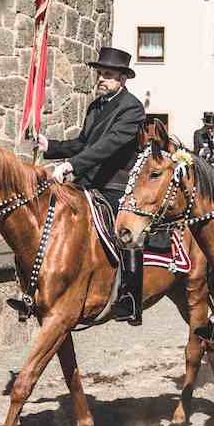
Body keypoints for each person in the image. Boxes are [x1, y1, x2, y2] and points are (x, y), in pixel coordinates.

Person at [35, 46, 146, 325]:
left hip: (116, 184)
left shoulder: (132, 108)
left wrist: (72, 165)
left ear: (122, 78)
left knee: (126, 233)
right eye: (100, 74)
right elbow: (84, 144)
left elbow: (107, 148)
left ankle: (130, 298)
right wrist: (50, 146)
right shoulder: (96, 105)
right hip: (87, 181)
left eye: (107, 75)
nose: (101, 79)